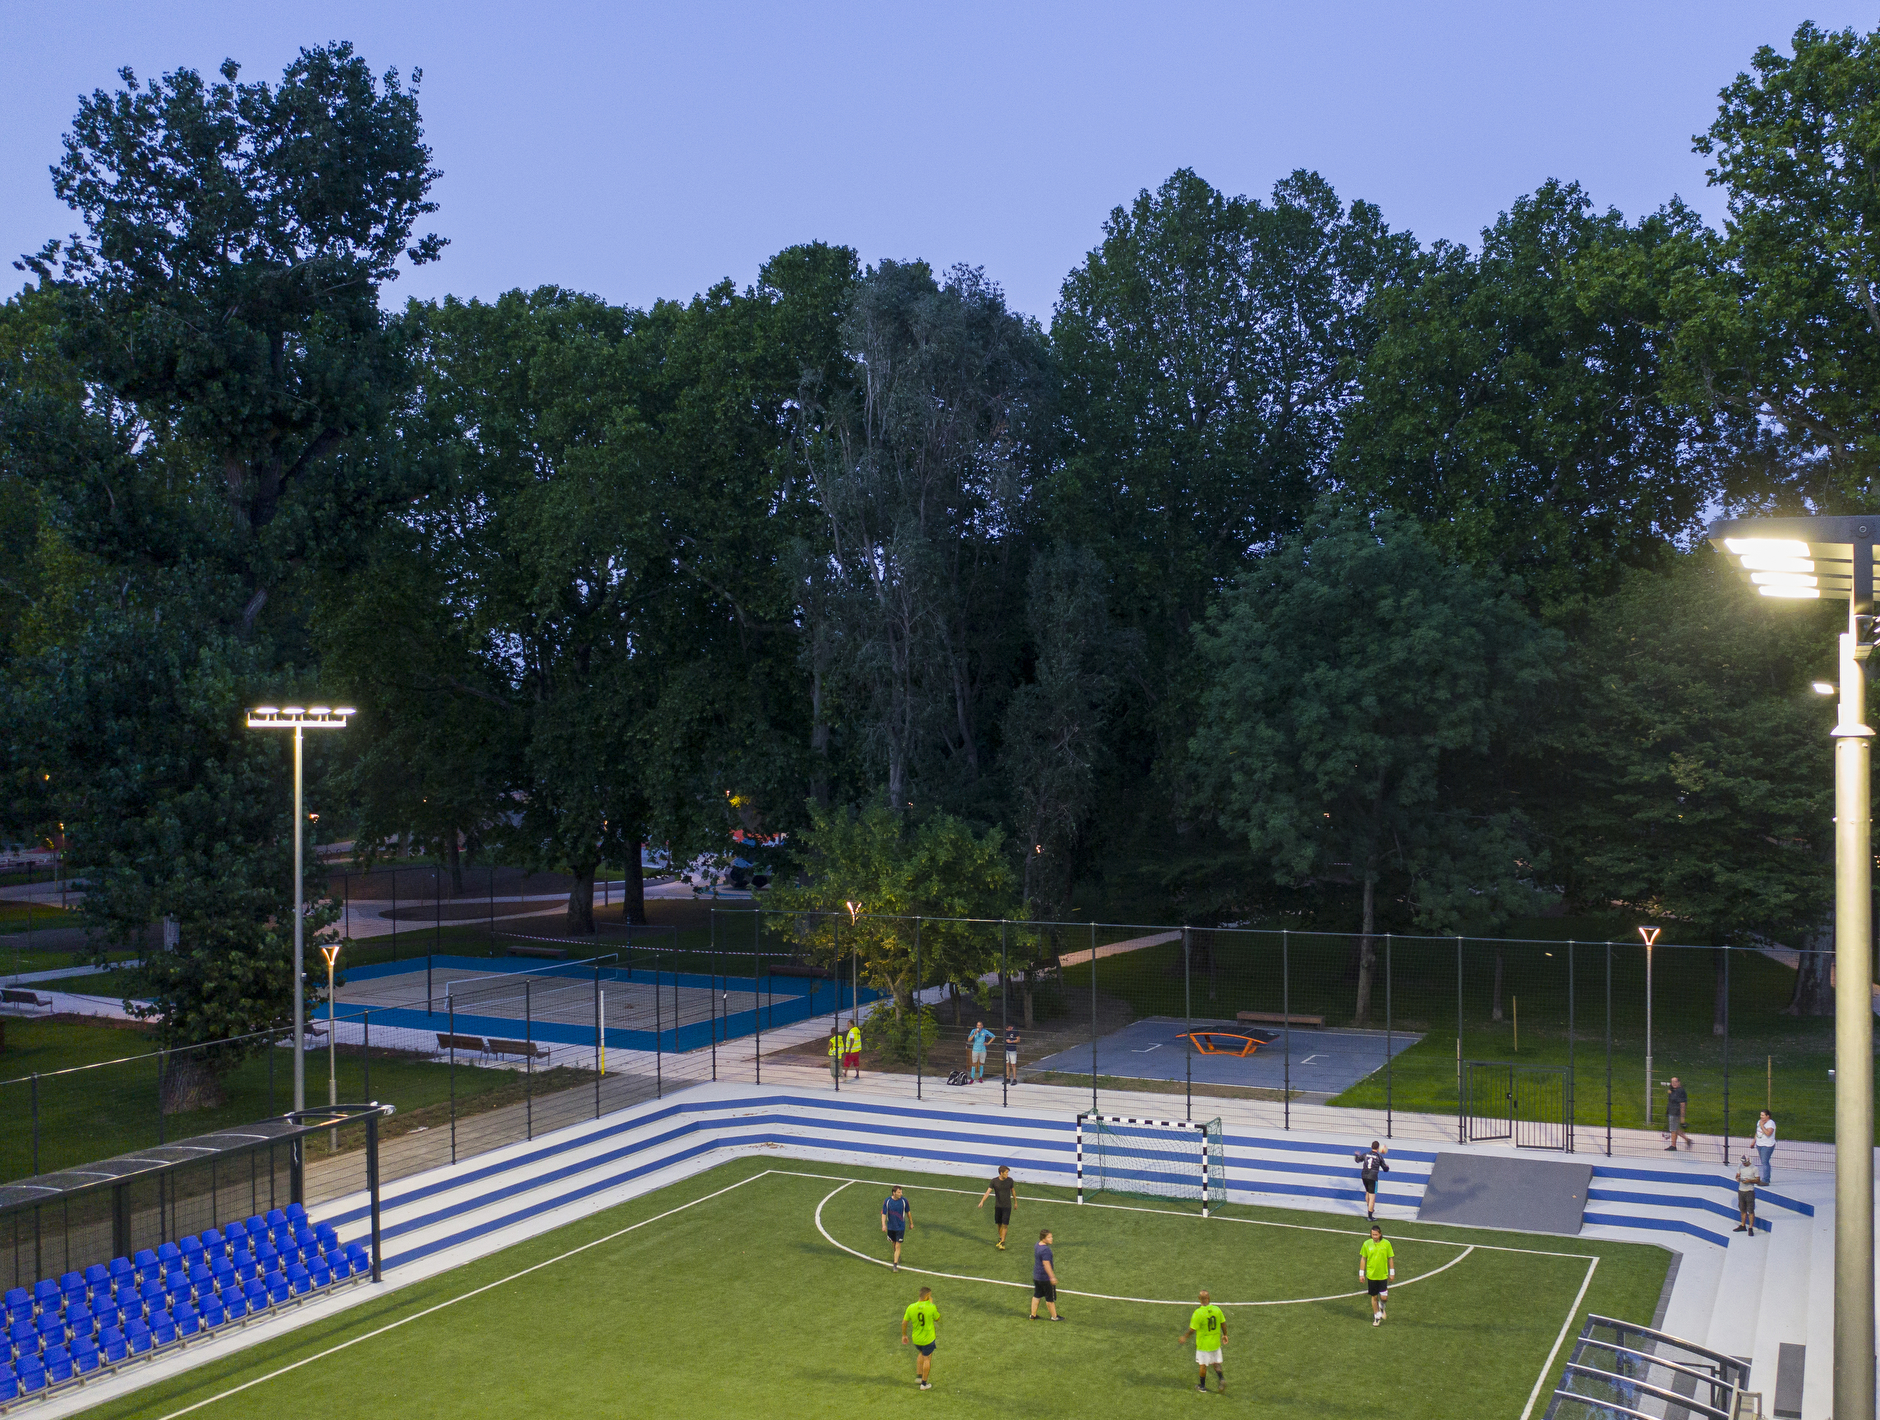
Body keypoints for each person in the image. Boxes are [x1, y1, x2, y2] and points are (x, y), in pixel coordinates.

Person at [1178, 1288, 1227, 1393]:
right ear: (1209, 1298)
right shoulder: (1217, 1309)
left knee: (1203, 1365)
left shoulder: (1198, 1313)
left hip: (1203, 1345)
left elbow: (1192, 1329)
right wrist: (1225, 1335)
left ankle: (1202, 1386)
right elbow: (1223, 1322)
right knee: (1216, 1362)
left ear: (1199, 1299)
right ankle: (1222, 1379)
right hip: (1215, 1343)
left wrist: (1184, 1337)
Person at [900, 1285, 940, 1390]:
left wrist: (904, 1335)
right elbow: (937, 1318)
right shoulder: (931, 1307)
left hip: (916, 1339)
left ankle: (918, 1377)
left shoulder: (911, 1307)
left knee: (921, 1353)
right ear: (927, 1296)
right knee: (927, 1358)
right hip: (928, 1339)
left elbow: (904, 1323)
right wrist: (931, 1304)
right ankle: (924, 1384)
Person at [1359, 1224, 1395, 1325]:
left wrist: (1392, 1272)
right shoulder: (1366, 1244)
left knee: (1384, 1298)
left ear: (1380, 1234)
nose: (1374, 1236)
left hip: (1383, 1275)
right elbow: (1363, 1259)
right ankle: (1376, 1317)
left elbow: (1390, 1258)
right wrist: (1361, 1274)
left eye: (1376, 1234)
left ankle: (1382, 1306)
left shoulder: (1386, 1244)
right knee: (1374, 1297)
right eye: (1372, 1234)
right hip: (1371, 1275)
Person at [978, 1165, 1017, 1249]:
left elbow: (1013, 1191)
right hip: (998, 1206)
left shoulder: (1010, 1180)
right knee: (999, 1223)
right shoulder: (994, 1181)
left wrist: (1015, 1202)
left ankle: (1002, 1242)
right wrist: (982, 1201)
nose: (1007, 1174)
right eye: (1006, 1172)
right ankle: (1000, 1238)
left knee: (1005, 1224)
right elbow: (988, 1192)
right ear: (1001, 1173)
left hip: (1007, 1206)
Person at [1030, 1229, 1063, 1320]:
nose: (1051, 1239)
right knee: (1049, 1298)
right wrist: (1052, 1277)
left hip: (1037, 1276)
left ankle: (1033, 1315)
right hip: (1045, 1278)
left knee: (1037, 1295)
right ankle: (1054, 1317)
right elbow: (1046, 1264)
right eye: (1049, 1237)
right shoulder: (1046, 1250)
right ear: (1043, 1238)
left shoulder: (1037, 1245)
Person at [1355, 1141, 1389, 1220]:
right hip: (1372, 1177)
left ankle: (1370, 1208)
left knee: (1367, 1192)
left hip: (1364, 1175)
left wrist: (1356, 1155)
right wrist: (1387, 1167)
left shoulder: (1366, 1154)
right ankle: (1370, 1215)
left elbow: (1357, 1160)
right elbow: (1385, 1169)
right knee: (1372, 1196)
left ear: (1371, 1146)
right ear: (1378, 1148)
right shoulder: (1379, 1157)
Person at [882, 1186, 912, 1270]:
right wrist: (883, 1225)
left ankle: (895, 1265)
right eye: (899, 1192)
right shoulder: (887, 1201)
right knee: (894, 1244)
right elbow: (884, 1213)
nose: (901, 1194)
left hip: (900, 1227)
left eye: (901, 1192)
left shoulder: (904, 1201)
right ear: (894, 1193)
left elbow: (908, 1213)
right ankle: (897, 1255)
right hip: (891, 1227)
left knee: (898, 1245)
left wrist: (911, 1223)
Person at [1735, 1153, 1761, 1234]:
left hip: (1749, 1191)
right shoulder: (1740, 1166)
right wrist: (1738, 1178)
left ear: (1748, 1160)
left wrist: (1749, 1181)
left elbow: (1758, 1180)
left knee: (1750, 1210)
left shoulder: (1754, 1168)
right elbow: (1737, 1175)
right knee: (1742, 1209)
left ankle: (1750, 1227)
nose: (1744, 1164)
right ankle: (1743, 1225)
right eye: (1743, 1162)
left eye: (1745, 1162)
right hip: (1741, 1190)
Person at [1665, 1077, 1691, 1151]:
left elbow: (1683, 1104)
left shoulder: (1680, 1091)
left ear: (1679, 1082)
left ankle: (1673, 1146)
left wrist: (1682, 1119)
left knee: (1673, 1130)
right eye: (1672, 1082)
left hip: (1675, 1112)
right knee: (1675, 1128)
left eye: (1675, 1082)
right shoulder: (1673, 1090)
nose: (1674, 1084)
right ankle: (1687, 1139)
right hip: (1671, 1112)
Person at [1756, 1110, 1776, 1184]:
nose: (1761, 1117)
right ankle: (1765, 1178)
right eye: (1761, 1115)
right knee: (1763, 1161)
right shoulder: (1759, 1121)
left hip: (1767, 1145)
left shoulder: (1771, 1123)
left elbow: (1768, 1133)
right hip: (1759, 1144)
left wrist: (1762, 1126)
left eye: (1763, 1115)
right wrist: (1754, 1141)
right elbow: (1757, 1132)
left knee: (1765, 1162)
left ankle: (1766, 1180)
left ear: (1768, 1116)